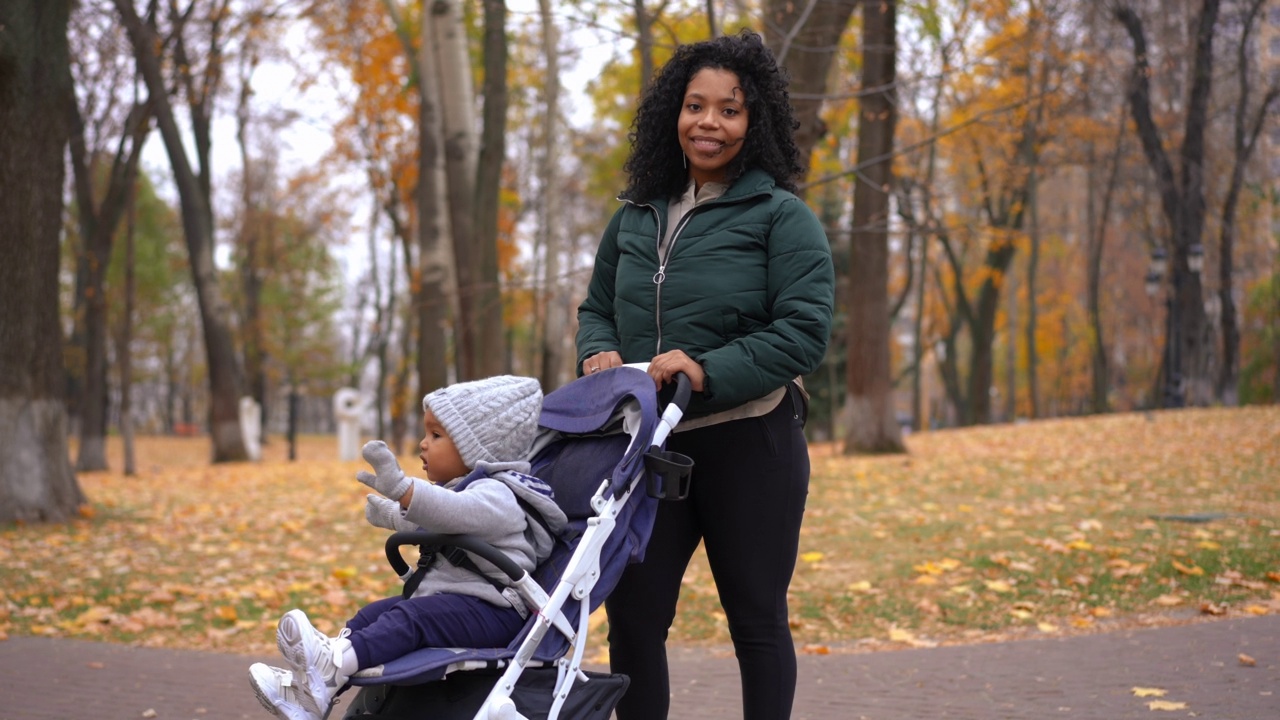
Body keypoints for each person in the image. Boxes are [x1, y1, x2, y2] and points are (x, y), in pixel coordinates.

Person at [575, 29, 835, 720]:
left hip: (750, 442)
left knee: (755, 619)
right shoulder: (633, 217)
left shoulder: (783, 218)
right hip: (648, 448)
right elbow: (597, 308)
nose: (709, 124)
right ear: (674, 114)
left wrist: (706, 367)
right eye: (696, 106)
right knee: (631, 618)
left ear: (756, 124)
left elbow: (803, 333)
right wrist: (597, 352)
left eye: (729, 109)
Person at [247, 375, 567, 720]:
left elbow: (452, 512)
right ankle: (311, 695)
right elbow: (440, 519)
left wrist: (403, 489)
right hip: (458, 602)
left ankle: (332, 665)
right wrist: (394, 514)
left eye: (436, 435)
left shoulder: (499, 495)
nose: (423, 444)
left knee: (411, 619)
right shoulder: (466, 489)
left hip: (494, 612)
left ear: (478, 451)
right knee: (371, 616)